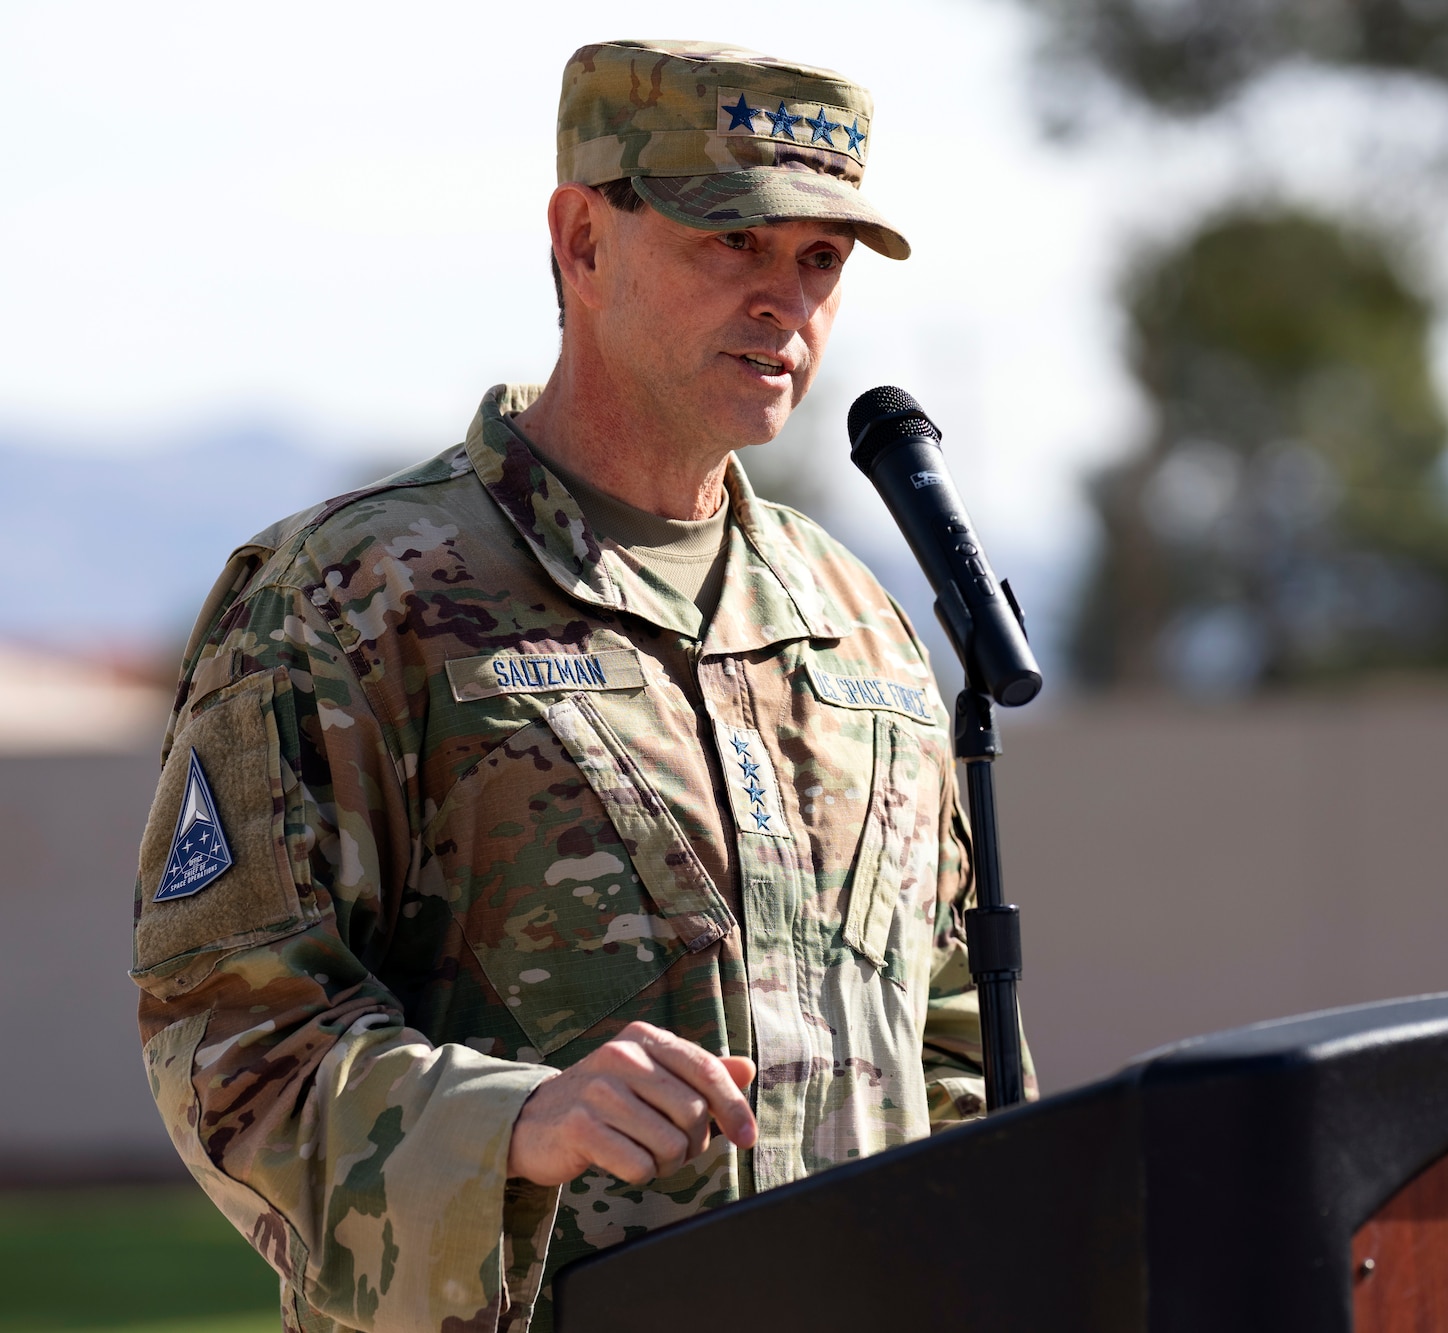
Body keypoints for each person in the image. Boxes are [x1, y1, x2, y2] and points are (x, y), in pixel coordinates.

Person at [131, 39, 1020, 1333]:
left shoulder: (861, 629)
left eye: (820, 261)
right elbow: (228, 1043)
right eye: (735, 242)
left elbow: (957, 1049)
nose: (787, 301)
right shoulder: (351, 599)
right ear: (583, 241)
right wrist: (514, 1125)